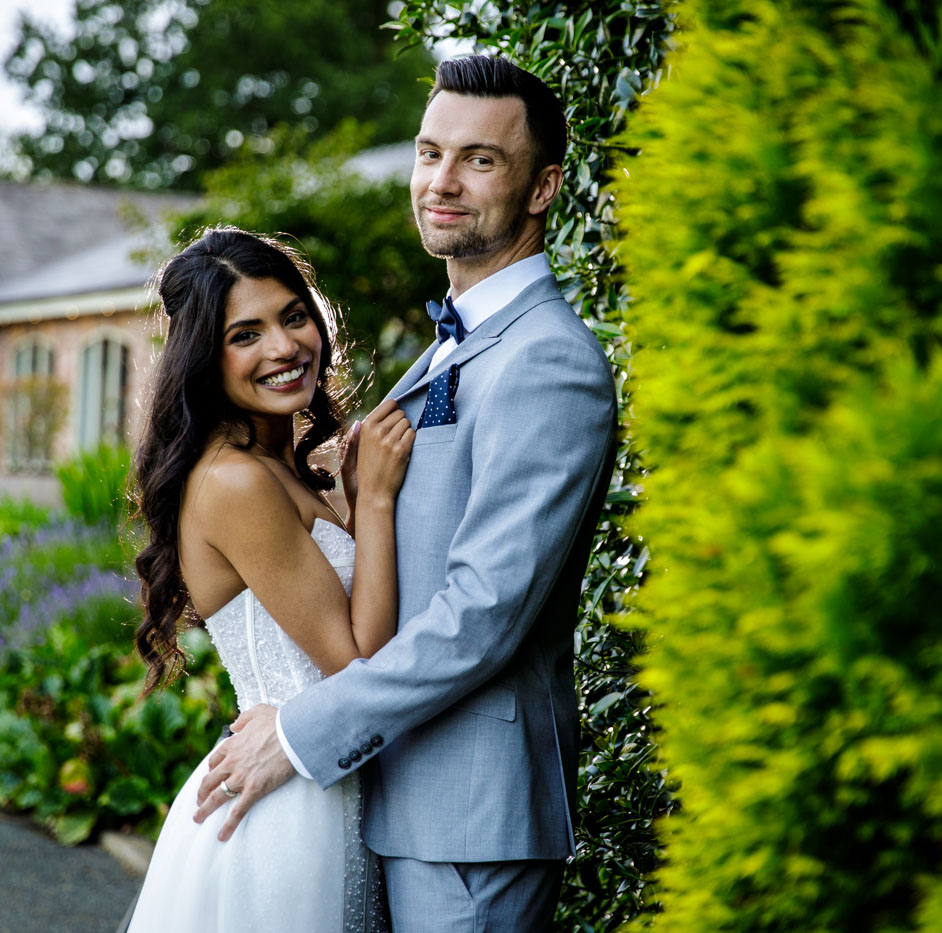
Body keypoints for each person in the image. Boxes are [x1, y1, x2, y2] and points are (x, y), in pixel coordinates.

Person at [196, 55, 618, 931]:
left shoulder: (546, 361)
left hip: (471, 815)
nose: (443, 181)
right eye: (430, 154)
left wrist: (305, 728)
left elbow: (482, 613)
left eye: (480, 160)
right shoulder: (453, 348)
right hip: (392, 799)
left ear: (542, 188)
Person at [125, 227, 412, 931]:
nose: (284, 348)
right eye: (245, 334)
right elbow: (356, 665)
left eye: (292, 316)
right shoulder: (235, 480)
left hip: (328, 784)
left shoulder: (289, 468)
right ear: (204, 359)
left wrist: (348, 494)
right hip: (288, 814)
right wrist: (373, 502)